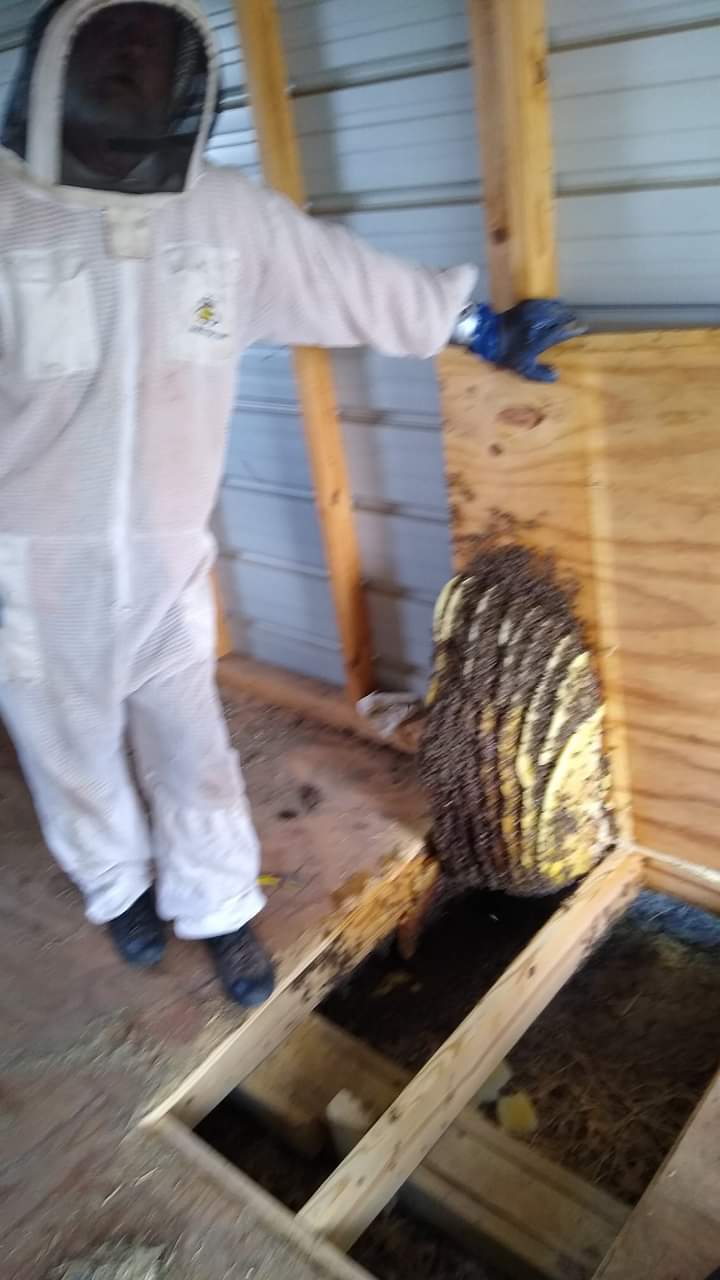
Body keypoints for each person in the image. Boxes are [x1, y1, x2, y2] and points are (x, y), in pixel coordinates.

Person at [0, 0, 584, 1006]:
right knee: (68, 744)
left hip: (167, 553)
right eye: (114, 43)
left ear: (188, 80)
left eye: (154, 48)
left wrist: (472, 323)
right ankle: (117, 887)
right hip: (29, 559)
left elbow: (339, 276)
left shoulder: (223, 216)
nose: (135, 62)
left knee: (191, 736)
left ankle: (219, 902)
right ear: (58, 64)